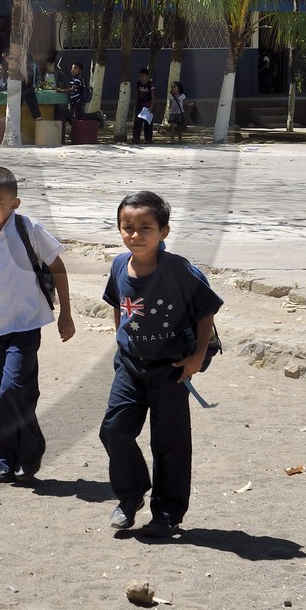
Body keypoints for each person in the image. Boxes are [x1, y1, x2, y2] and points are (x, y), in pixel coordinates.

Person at [100, 190, 223, 538]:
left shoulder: (178, 270)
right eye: (127, 227)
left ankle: (167, 514)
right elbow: (119, 304)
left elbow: (206, 310)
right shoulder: (118, 265)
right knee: (114, 429)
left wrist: (197, 357)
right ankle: (130, 496)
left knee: (170, 444)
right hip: (130, 365)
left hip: (172, 369)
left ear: (163, 232)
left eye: (145, 228)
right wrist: (121, 341)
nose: (135, 235)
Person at [0, 165, 74, 484]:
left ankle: (31, 447)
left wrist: (66, 313)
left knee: (14, 389)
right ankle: (4, 460)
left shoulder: (28, 229)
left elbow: (57, 266)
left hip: (24, 324)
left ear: (14, 203)